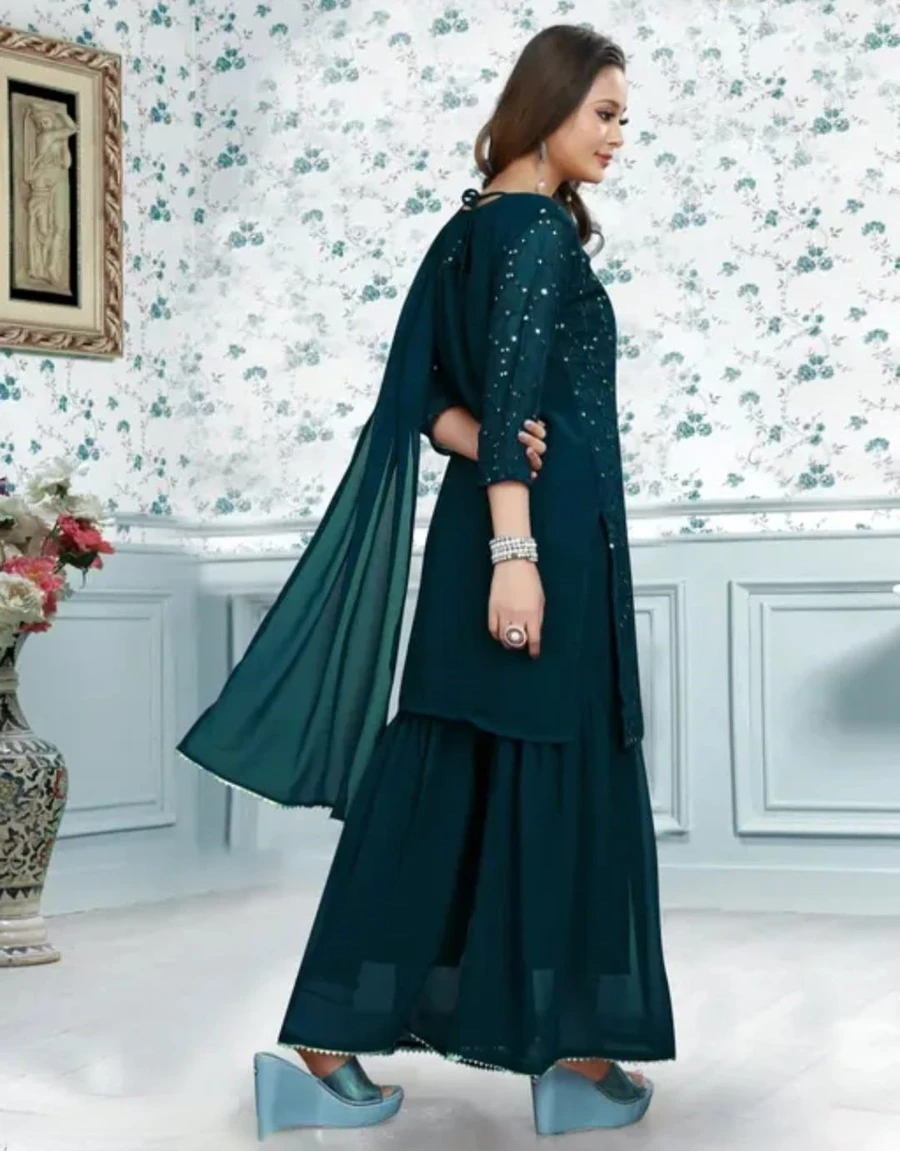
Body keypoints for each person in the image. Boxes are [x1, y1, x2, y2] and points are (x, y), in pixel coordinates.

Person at [177, 22, 675, 1141]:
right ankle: (566, 1057)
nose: (618, 137)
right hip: (531, 547)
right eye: (604, 114)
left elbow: (436, 398)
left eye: (623, 119)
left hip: (490, 538)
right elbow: (506, 402)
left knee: (454, 780)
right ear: (547, 105)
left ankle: (387, 1047)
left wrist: (483, 455)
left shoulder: (469, 229)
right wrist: (518, 556)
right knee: (534, 774)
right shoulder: (535, 231)